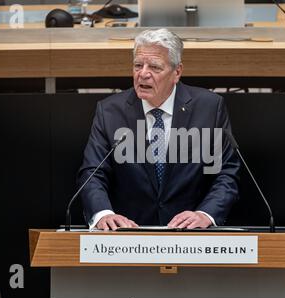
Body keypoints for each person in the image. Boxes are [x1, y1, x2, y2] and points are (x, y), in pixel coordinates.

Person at [78, 28, 241, 231]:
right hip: (129, 235)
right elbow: (93, 173)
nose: (143, 74)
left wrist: (206, 213)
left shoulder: (208, 108)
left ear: (177, 72)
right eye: (138, 65)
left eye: (154, 67)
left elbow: (225, 173)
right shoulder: (110, 111)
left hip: (191, 236)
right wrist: (103, 214)